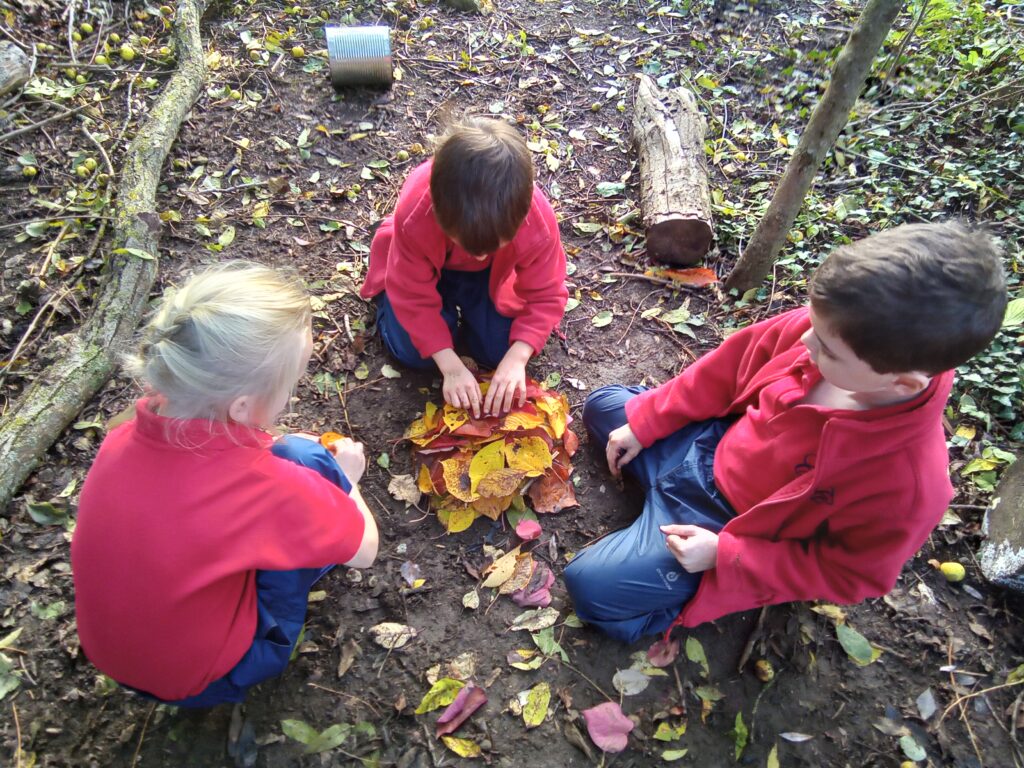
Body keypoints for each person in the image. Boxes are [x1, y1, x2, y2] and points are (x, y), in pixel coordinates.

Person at [564, 222, 1007, 644]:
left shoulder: (909, 483)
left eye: (827, 350)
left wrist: (727, 556)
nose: (807, 341)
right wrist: (647, 423)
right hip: (706, 449)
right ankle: (650, 497)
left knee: (590, 588)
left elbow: (848, 573)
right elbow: (727, 369)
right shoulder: (832, 329)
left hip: (726, 526)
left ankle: (668, 597)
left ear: (903, 383)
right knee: (607, 407)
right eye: (813, 326)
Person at [71, 262, 379, 706]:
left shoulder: (121, 437)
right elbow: (366, 551)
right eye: (290, 386)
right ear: (241, 406)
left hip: (118, 660)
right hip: (208, 677)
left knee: (285, 454)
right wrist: (347, 482)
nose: (291, 396)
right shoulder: (264, 487)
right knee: (304, 457)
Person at [359, 115, 568, 419]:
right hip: (421, 267)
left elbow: (547, 294)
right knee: (412, 353)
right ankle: (389, 299)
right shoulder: (419, 210)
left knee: (500, 351)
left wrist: (517, 358)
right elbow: (412, 293)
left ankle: (460, 321)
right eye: (470, 246)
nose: (481, 255)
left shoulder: (536, 224)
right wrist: (449, 364)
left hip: (490, 280)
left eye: (492, 247)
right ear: (440, 213)